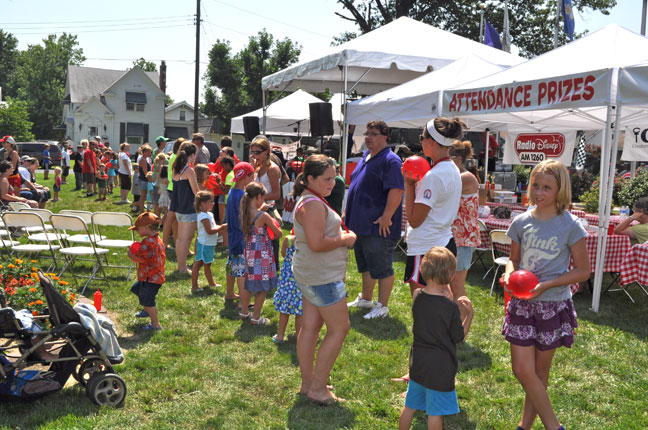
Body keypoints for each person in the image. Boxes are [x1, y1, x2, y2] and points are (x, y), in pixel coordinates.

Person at [501, 160, 590, 430]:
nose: (539, 192)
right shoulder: (521, 221)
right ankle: (554, 426)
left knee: (540, 373)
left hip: (552, 305)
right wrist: (508, 274)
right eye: (536, 186)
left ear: (560, 190)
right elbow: (513, 259)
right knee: (522, 370)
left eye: (547, 187)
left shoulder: (571, 225)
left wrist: (548, 285)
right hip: (521, 304)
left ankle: (524, 427)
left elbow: (583, 271)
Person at [293, 154, 357, 405]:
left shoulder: (311, 200)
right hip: (321, 276)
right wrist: (346, 238)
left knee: (310, 327)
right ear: (310, 178)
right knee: (340, 328)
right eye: (327, 179)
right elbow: (317, 243)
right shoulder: (314, 204)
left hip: (311, 273)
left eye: (334, 178)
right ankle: (317, 388)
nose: (333, 183)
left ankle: (309, 383)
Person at [398, 247, 473, 430]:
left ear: (423, 270)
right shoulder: (451, 308)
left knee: (410, 406)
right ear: (451, 276)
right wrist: (468, 316)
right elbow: (458, 337)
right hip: (440, 367)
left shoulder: (417, 296)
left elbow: (431, 308)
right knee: (434, 413)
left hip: (418, 362)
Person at [345, 120, 404, 319]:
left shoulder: (391, 160)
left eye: (373, 134)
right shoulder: (366, 156)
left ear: (385, 136)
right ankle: (366, 298)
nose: (368, 137)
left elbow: (396, 189)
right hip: (360, 223)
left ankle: (382, 306)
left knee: (381, 265)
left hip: (378, 225)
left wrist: (387, 216)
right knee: (366, 263)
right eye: (367, 133)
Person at [404, 117, 465, 296]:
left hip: (426, 247)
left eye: (421, 137)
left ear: (430, 141)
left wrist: (409, 184)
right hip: (443, 242)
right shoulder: (452, 168)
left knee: (423, 307)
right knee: (443, 301)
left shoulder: (434, 175)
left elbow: (414, 220)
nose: (420, 141)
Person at [238, 182, 282, 325]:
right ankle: (256, 318)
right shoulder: (262, 216)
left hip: (250, 252)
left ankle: (244, 312)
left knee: (249, 283)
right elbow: (278, 233)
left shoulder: (245, 212)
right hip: (261, 254)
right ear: (258, 197)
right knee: (262, 288)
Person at [449, 140, 480, 312]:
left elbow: (443, 191)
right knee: (450, 282)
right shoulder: (458, 176)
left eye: (448, 158)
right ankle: (453, 320)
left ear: (458, 159)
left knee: (457, 284)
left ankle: (462, 322)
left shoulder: (465, 178)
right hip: (456, 237)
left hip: (462, 239)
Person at [128, 212, 166, 331]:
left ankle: (155, 324)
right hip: (153, 277)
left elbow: (139, 258)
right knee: (136, 289)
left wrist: (131, 254)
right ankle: (146, 309)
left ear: (146, 227)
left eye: (138, 229)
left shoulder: (147, 243)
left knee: (148, 300)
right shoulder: (157, 239)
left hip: (151, 278)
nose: (136, 231)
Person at [225, 162, 255, 302]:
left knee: (232, 266)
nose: (253, 179)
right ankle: (243, 303)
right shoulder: (243, 195)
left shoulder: (232, 191)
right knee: (242, 272)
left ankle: (229, 293)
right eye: (251, 176)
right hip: (241, 236)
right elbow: (246, 217)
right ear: (244, 178)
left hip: (232, 236)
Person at [169, 142, 199, 274]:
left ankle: (180, 266)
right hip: (188, 208)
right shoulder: (189, 170)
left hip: (179, 208)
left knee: (180, 239)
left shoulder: (176, 168)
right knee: (185, 240)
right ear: (191, 155)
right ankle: (182, 268)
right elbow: (196, 192)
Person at [191, 191, 226, 294]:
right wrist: (222, 227)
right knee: (197, 265)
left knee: (207, 265)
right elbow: (209, 230)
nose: (213, 203)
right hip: (204, 244)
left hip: (209, 244)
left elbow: (213, 227)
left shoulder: (209, 214)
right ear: (203, 203)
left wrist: (219, 228)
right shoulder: (203, 216)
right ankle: (194, 286)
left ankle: (212, 283)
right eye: (211, 202)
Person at [272, 232, 302, 344]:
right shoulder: (308, 243)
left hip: (287, 281)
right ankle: (300, 338)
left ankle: (280, 335)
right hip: (302, 280)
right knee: (300, 311)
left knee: (284, 309)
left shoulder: (288, 240)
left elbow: (283, 254)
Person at [162, 138, 185, 249]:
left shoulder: (173, 156)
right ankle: (165, 243)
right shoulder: (176, 158)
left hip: (173, 187)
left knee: (174, 218)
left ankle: (174, 242)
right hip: (175, 188)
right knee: (172, 217)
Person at [136, 144, 153, 213]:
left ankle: (142, 210)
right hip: (144, 180)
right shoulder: (143, 160)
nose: (150, 153)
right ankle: (142, 211)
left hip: (144, 180)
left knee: (144, 195)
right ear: (145, 152)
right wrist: (150, 178)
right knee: (143, 196)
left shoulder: (146, 159)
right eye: (149, 152)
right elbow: (146, 172)